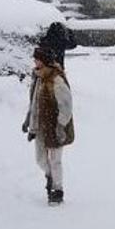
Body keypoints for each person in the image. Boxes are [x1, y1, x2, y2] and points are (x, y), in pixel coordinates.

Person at [22, 47, 75, 206]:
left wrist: (60, 125)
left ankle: (57, 190)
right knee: (40, 159)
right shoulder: (38, 77)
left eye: (37, 59)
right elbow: (34, 103)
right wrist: (29, 122)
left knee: (55, 160)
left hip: (54, 125)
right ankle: (50, 177)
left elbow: (66, 105)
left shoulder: (55, 79)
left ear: (43, 60)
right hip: (40, 126)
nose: (34, 61)